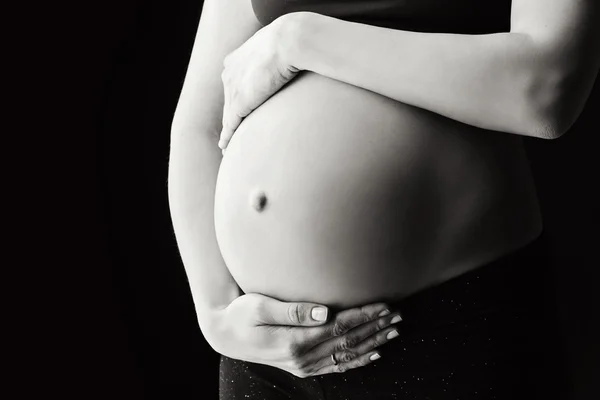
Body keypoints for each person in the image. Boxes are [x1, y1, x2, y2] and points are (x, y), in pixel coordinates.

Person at [168, 0, 599, 398]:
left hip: (442, 328)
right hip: (266, 354)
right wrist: (217, 314)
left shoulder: (295, 37)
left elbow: (546, 86)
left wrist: (299, 39)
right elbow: (198, 123)